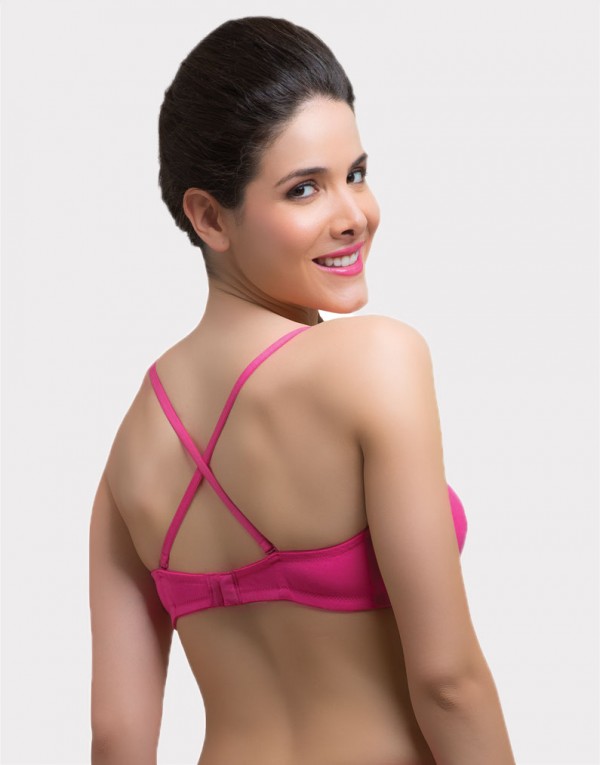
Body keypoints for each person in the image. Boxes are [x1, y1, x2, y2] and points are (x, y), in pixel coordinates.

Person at [89, 16, 515, 765]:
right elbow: (448, 682)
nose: (353, 216)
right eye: (304, 189)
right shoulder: (376, 361)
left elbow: (118, 736)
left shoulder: (131, 448)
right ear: (209, 216)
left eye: (356, 173)